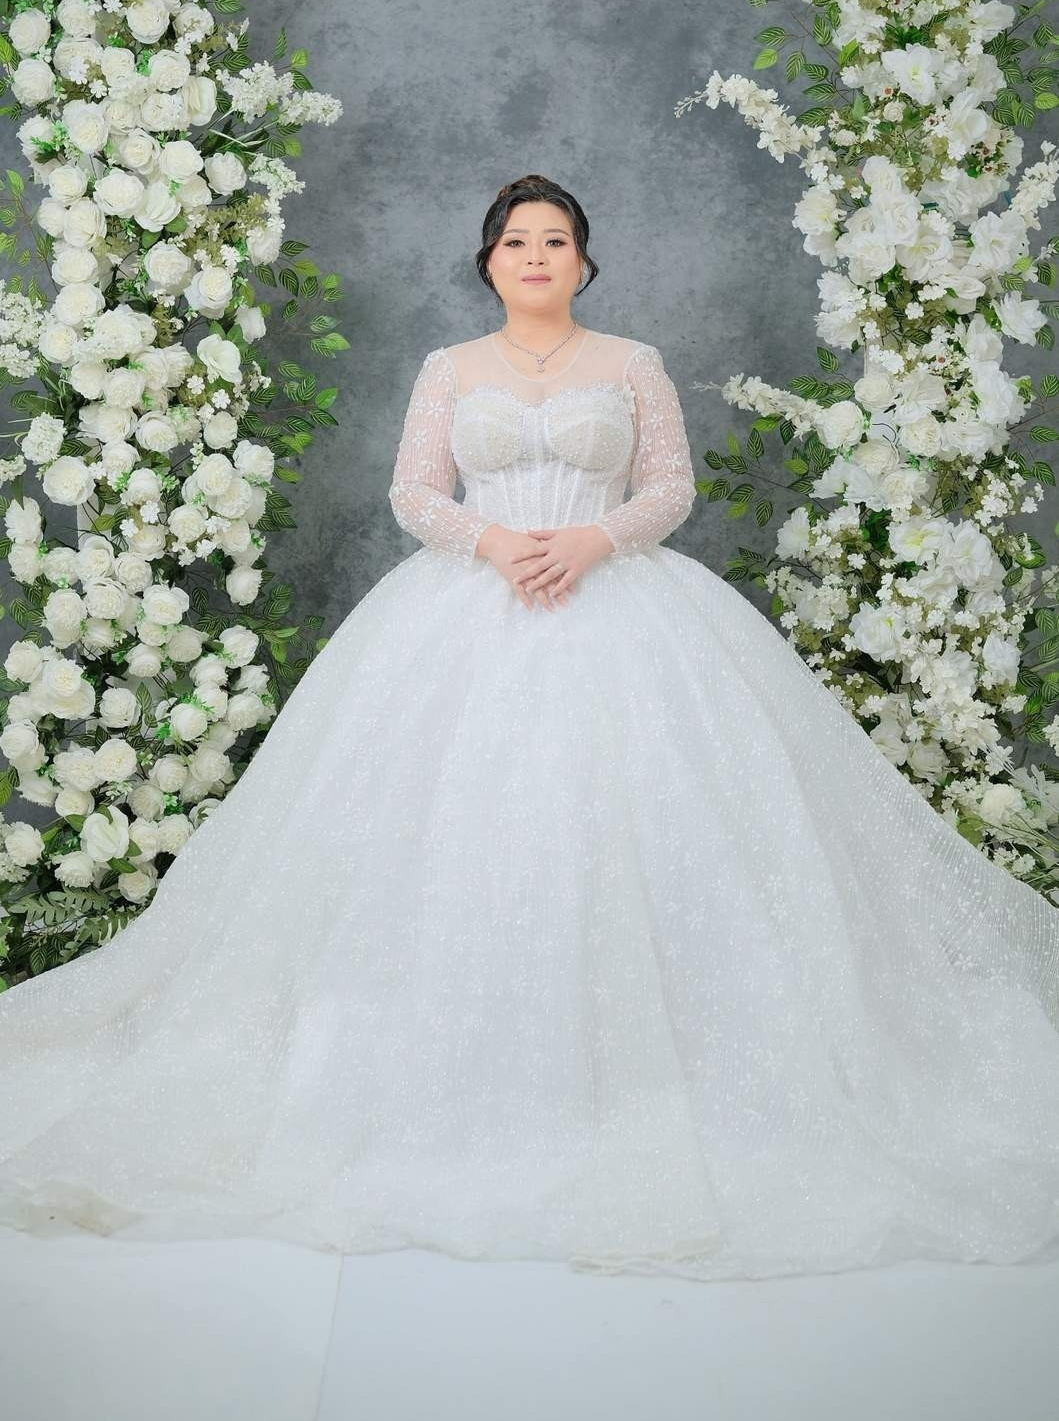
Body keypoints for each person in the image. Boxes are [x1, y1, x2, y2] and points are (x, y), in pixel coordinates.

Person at [1, 172, 1059, 1285]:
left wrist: (596, 542)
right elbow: (414, 493)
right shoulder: (449, 368)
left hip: (622, 600)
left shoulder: (633, 362)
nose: (537, 255)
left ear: (584, 262)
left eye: (556, 240)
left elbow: (670, 487)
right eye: (517, 241)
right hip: (468, 602)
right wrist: (494, 542)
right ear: (490, 261)